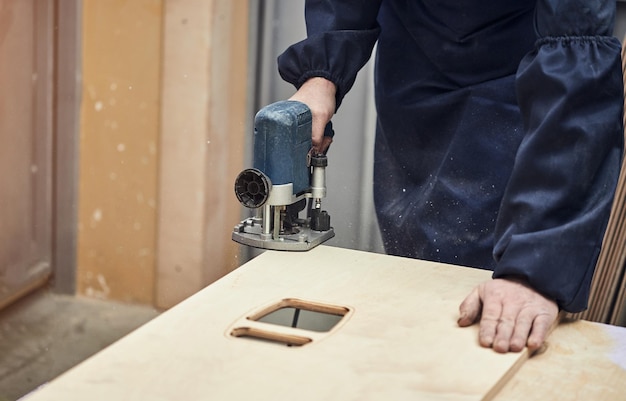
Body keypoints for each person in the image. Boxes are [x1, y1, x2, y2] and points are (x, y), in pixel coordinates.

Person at [277, 1, 624, 353]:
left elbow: (576, 67)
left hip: (520, 66)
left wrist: (535, 267)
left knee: (492, 322)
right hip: (414, 59)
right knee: (418, 275)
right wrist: (321, 72)